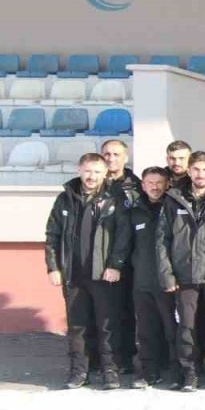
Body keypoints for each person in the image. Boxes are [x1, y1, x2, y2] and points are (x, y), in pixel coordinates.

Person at [45, 153, 130, 390]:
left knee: (107, 324)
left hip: (103, 274)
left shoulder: (115, 198)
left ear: (105, 173)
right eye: (87, 171)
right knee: (77, 325)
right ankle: (78, 372)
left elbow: (123, 236)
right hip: (73, 274)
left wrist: (115, 265)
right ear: (79, 170)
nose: (91, 176)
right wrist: (53, 267)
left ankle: (110, 371)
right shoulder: (65, 199)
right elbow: (52, 235)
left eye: (96, 172)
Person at [156, 151, 205, 392]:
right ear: (189, 171)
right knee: (186, 328)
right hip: (184, 275)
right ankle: (189, 373)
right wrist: (167, 274)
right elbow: (161, 240)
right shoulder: (173, 198)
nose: (200, 174)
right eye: (196, 169)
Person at [126, 167, 176, 389]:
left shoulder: (174, 207)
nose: (155, 187)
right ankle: (148, 371)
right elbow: (125, 245)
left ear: (167, 184)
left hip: (170, 281)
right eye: (150, 183)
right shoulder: (135, 211)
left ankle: (177, 371)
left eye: (159, 182)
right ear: (143, 185)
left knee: (173, 330)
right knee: (146, 330)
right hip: (142, 280)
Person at [101, 138, 140, 373]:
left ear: (125, 157)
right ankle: (101, 359)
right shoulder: (95, 184)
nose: (111, 158)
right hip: (98, 258)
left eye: (116, 154)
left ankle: (124, 359)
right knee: (103, 314)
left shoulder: (134, 186)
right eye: (107, 154)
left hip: (129, 261)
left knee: (125, 312)